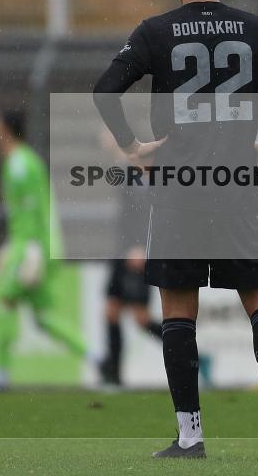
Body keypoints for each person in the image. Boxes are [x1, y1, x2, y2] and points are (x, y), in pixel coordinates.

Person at [93, 0, 258, 460]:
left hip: (177, 191)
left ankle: (191, 436)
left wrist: (133, 147)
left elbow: (105, 90)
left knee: (179, 312)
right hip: (235, 188)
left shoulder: (154, 33)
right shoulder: (256, 29)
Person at [0, 109, 101, 390]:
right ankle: (97, 357)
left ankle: (0, 375)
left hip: (31, 246)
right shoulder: (21, 161)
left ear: (5, 128)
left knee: (4, 301)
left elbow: (36, 210)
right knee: (44, 318)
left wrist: (32, 249)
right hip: (32, 244)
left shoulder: (19, 165)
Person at [98, 129, 163, 386]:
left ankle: (196, 357)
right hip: (122, 253)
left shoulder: (150, 181)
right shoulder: (130, 173)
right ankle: (114, 377)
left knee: (141, 318)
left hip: (136, 254)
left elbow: (147, 216)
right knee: (111, 312)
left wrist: (142, 248)